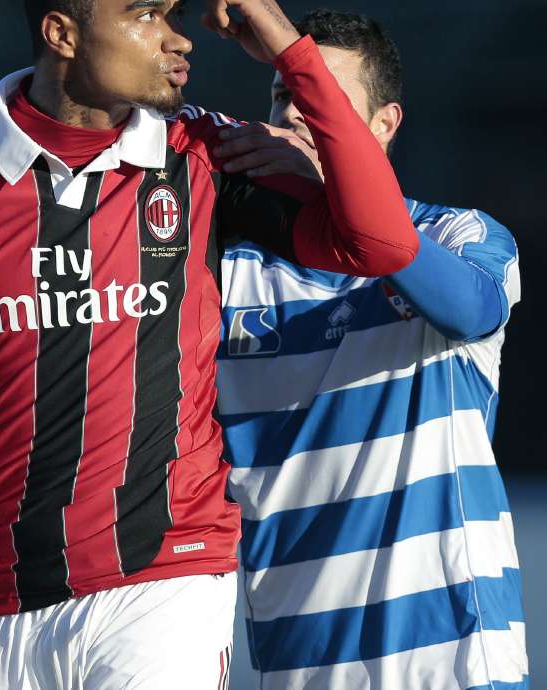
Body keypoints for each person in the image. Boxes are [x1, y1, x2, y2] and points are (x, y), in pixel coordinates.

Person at [0, 0, 426, 688]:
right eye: (146, 15)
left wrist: (282, 39)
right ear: (62, 33)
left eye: (173, 14)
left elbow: (384, 241)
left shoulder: (206, 153)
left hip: (165, 586)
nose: (176, 38)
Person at [211, 9, 528, 689]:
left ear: (384, 125)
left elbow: (468, 308)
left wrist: (324, 191)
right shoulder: (224, 275)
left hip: (454, 665)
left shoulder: (457, 236)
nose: (296, 112)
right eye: (282, 94)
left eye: (319, 94)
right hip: (295, 669)